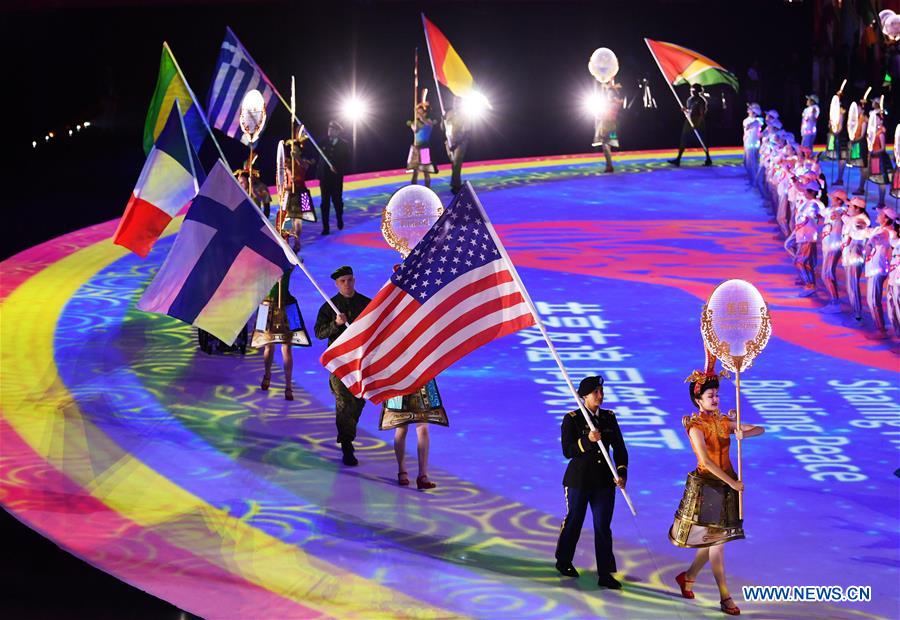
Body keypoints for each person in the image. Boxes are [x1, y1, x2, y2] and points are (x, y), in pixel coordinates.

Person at [670, 352, 764, 617]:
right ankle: (725, 596)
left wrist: (742, 431)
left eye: (716, 395)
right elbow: (707, 463)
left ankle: (688, 577)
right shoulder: (695, 426)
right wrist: (733, 483)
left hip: (728, 484)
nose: (715, 398)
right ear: (698, 400)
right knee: (717, 543)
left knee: (713, 541)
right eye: (710, 396)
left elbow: (760, 429)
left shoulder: (723, 421)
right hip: (711, 487)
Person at [554, 375, 628, 590]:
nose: (600, 396)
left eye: (601, 391)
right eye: (595, 392)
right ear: (584, 396)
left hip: (604, 482)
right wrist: (588, 440)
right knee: (574, 520)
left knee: (602, 527)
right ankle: (564, 560)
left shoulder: (608, 418)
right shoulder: (573, 419)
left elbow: (621, 449)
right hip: (579, 481)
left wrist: (621, 473)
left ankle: (605, 573)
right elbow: (567, 451)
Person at [314, 265, 372, 465]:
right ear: (336, 284)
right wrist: (335, 324)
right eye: (342, 281)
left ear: (354, 280)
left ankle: (348, 432)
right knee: (344, 402)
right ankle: (347, 444)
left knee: (359, 400)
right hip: (339, 363)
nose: (347, 284)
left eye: (349, 280)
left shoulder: (366, 304)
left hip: (360, 362)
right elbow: (319, 333)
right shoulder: (330, 306)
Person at [254, 267, 311, 400]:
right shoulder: (264, 264)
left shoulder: (286, 261)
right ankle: (267, 374)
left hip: (286, 304)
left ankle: (288, 386)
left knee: (287, 347)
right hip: (267, 305)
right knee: (268, 344)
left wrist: (295, 250)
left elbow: (295, 260)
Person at [382, 378, 448, 489]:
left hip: (421, 382)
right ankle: (402, 471)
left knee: (423, 429)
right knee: (401, 428)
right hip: (400, 382)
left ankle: (422, 475)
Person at [862, 208, 897, 340]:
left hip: (879, 268)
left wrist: (871, 241)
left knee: (873, 300)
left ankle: (881, 330)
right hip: (873, 267)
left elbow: (879, 238)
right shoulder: (879, 229)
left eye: (880, 214)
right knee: (871, 300)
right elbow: (867, 233)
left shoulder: (888, 232)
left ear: (887, 218)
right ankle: (880, 328)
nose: (877, 215)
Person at [280, 130, 316, 251]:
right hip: (290, 193)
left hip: (301, 192)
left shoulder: (303, 162)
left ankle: (297, 241)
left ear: (299, 151)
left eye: (295, 149)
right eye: (292, 149)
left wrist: (297, 158)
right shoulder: (288, 163)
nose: (293, 151)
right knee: (291, 219)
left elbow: (305, 167)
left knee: (299, 219)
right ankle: (291, 239)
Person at [841, 197, 872, 323]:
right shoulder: (853, 217)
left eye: (850, 207)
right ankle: (855, 311)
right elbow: (847, 218)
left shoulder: (860, 220)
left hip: (856, 252)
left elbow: (861, 226)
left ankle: (858, 314)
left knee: (853, 283)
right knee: (850, 283)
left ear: (858, 208)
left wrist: (862, 228)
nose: (848, 208)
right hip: (850, 251)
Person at [317, 120, 351, 235]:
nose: (329, 131)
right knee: (324, 203)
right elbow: (315, 150)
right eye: (329, 128)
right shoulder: (323, 143)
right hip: (324, 178)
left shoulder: (343, 144)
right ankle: (325, 227)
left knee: (337, 201)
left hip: (336, 178)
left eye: (332, 129)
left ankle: (339, 219)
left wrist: (338, 167)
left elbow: (346, 160)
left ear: (337, 131)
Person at [669, 83, 712, 167]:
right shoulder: (689, 100)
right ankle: (678, 159)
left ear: (698, 91)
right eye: (691, 90)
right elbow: (690, 110)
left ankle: (708, 158)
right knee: (683, 139)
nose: (692, 92)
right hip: (689, 121)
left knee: (702, 140)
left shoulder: (701, 100)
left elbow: (702, 114)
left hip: (698, 121)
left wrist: (698, 124)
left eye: (694, 90)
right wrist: (685, 110)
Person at [820, 189, 848, 313]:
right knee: (825, 274)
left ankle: (835, 303)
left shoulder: (841, 212)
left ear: (839, 200)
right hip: (828, 246)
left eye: (833, 198)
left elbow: (843, 213)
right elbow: (823, 212)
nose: (831, 199)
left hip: (833, 246)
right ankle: (833, 301)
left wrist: (844, 206)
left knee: (828, 275)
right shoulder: (833, 210)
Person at [592, 80, 623, 173]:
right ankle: (609, 165)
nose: (608, 95)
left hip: (608, 126)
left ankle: (609, 166)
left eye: (609, 94)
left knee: (606, 145)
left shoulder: (613, 103)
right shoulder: (612, 103)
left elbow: (605, 114)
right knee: (606, 145)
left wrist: (608, 87)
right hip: (609, 125)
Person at [865, 104, 892, 209]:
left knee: (881, 182)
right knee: (878, 181)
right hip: (875, 158)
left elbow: (883, 148)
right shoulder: (873, 132)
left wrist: (873, 152)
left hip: (880, 159)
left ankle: (881, 202)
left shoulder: (880, 133)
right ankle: (880, 201)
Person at [407, 98, 438, 187]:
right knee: (415, 171)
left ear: (424, 113)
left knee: (426, 171)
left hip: (424, 148)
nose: (418, 114)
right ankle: (414, 189)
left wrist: (420, 114)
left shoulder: (428, 122)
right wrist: (417, 112)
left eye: (420, 112)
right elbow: (415, 129)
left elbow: (430, 124)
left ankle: (427, 189)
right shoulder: (416, 123)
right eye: (417, 113)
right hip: (416, 148)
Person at [443, 95, 471, 194]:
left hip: (460, 142)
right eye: (454, 101)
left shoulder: (465, 115)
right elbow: (444, 129)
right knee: (453, 163)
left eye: (458, 101)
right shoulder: (449, 113)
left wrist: (457, 143)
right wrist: (443, 121)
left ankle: (456, 185)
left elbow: (467, 131)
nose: (456, 103)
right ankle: (455, 183)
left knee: (456, 163)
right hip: (449, 141)